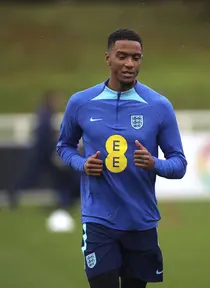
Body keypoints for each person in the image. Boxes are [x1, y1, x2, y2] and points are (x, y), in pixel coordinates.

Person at [56, 29, 187, 288]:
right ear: (108, 58)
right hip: (98, 219)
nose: (129, 63)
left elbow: (179, 163)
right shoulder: (81, 102)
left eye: (136, 58)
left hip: (141, 221)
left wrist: (155, 163)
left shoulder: (158, 106)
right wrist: (82, 164)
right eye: (122, 56)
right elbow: (64, 147)